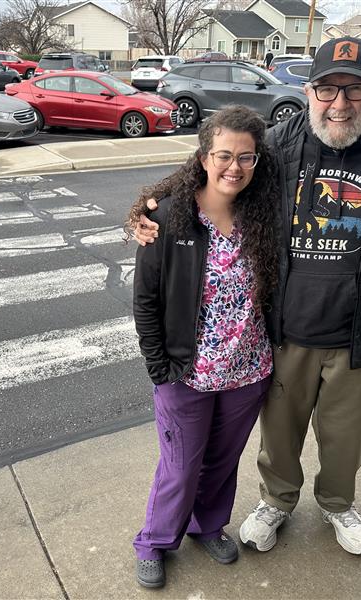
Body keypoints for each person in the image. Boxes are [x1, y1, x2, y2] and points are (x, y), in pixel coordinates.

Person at [129, 36, 361, 558]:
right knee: (278, 442)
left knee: (347, 443)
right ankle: (276, 501)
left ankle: (338, 501)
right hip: (282, 336)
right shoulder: (277, 145)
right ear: (308, 89)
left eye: (354, 89)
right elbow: (214, 172)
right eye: (326, 89)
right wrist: (148, 208)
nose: (339, 104)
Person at [130, 106, 283, 588]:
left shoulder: (263, 210)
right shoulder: (168, 216)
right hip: (186, 374)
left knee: (220, 462)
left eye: (246, 157)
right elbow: (146, 298)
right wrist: (160, 368)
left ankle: (207, 526)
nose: (233, 167)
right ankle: (155, 540)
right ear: (203, 156)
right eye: (223, 155)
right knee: (180, 467)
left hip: (248, 370)